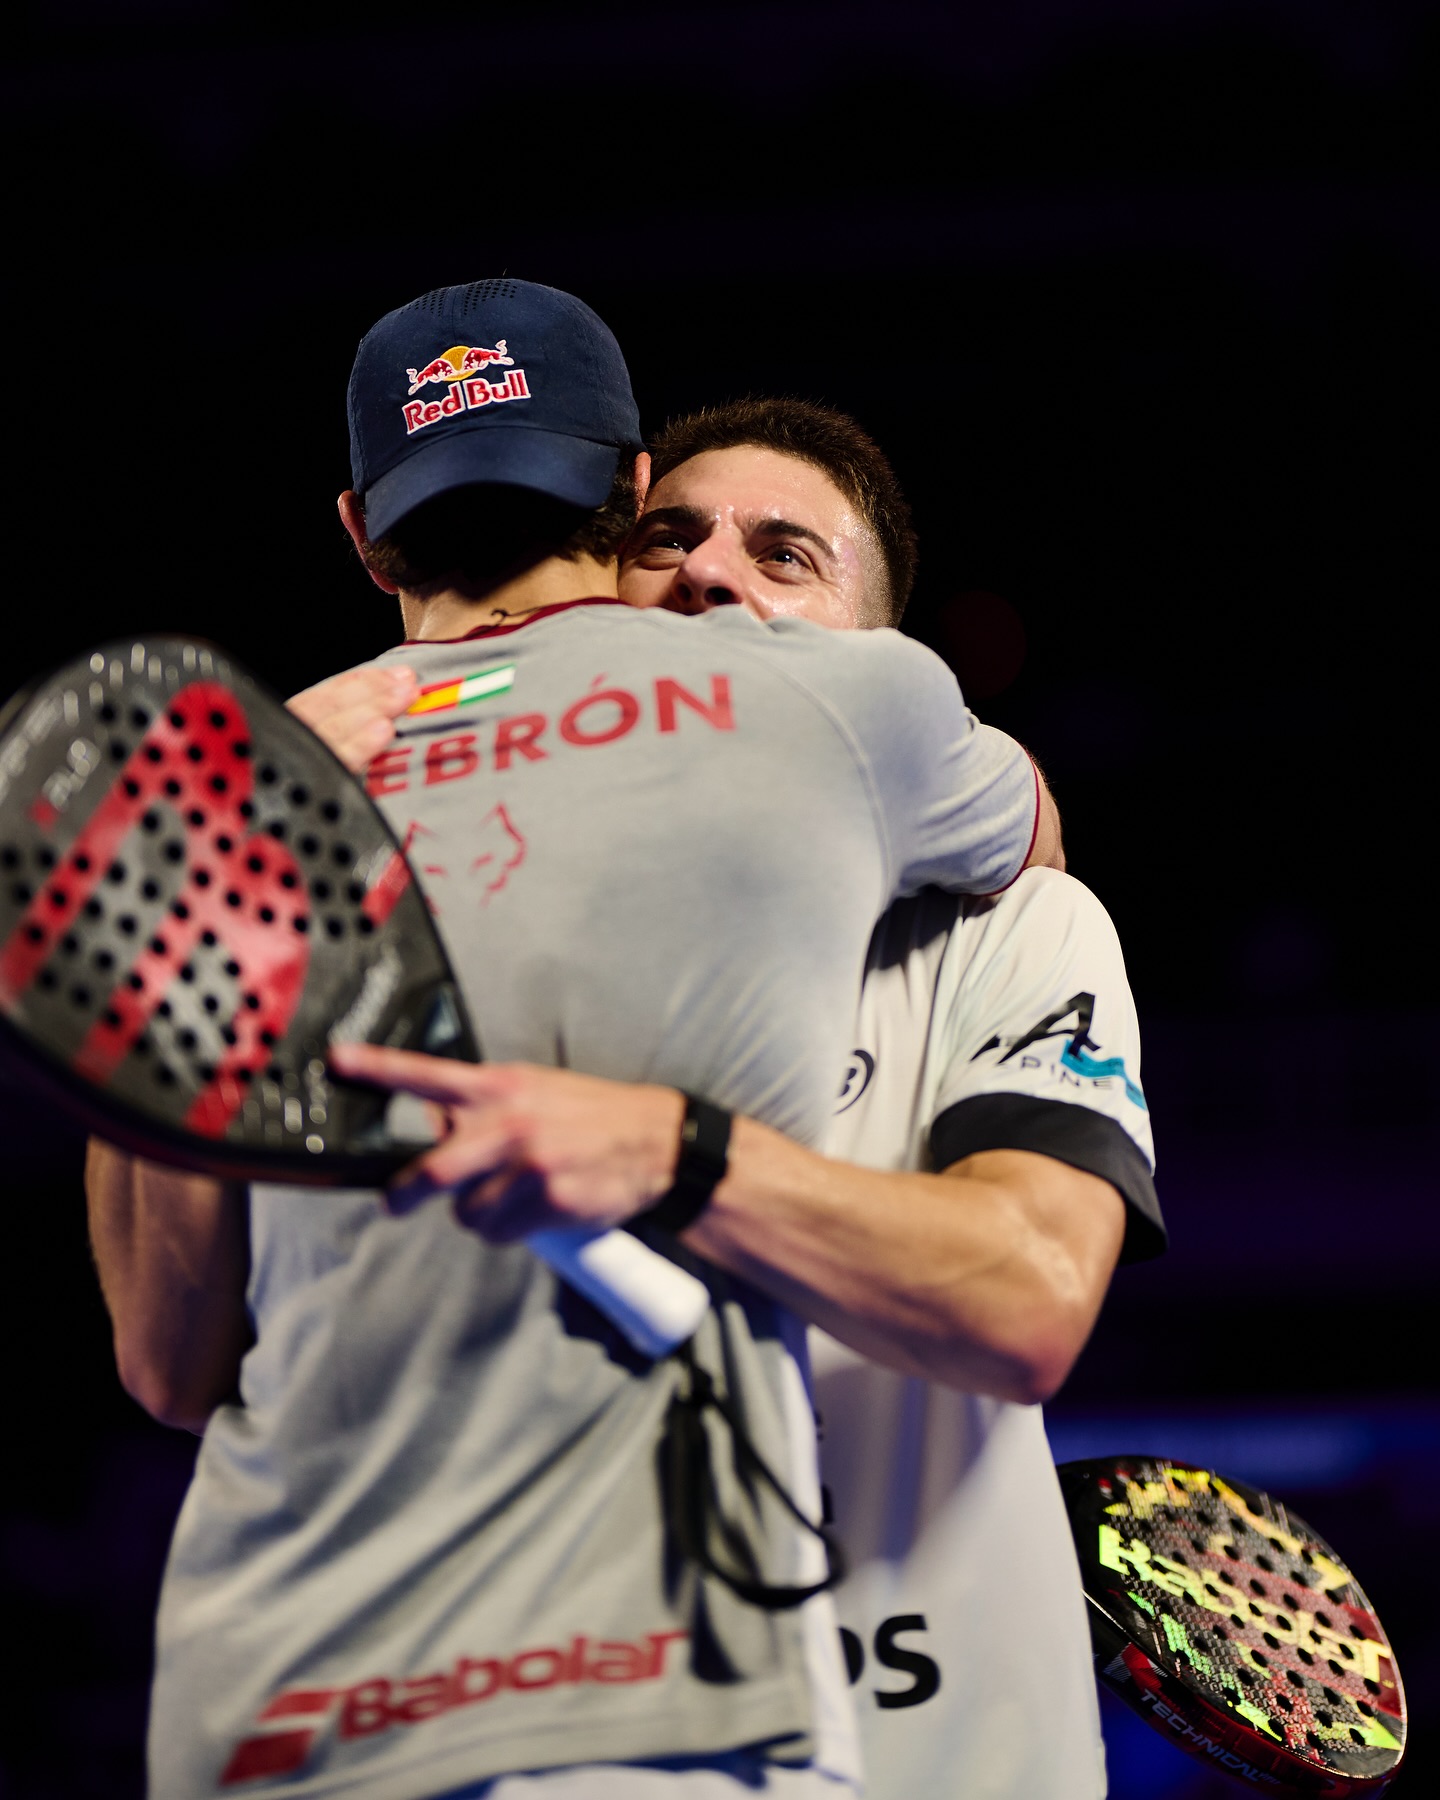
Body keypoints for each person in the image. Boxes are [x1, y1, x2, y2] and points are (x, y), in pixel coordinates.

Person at [86, 282, 1066, 1800]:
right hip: (644, 1703)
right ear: (627, 498)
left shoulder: (247, 793)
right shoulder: (839, 704)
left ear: (361, 530)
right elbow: (1032, 843)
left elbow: (165, 1359)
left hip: (268, 1712)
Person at [314, 401, 1166, 1799]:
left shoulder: (1014, 932)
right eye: (668, 537)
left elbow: (1022, 1298)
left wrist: (671, 1154)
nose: (710, 573)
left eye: (786, 555)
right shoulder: (451, 941)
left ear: (884, 670)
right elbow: (183, 1368)